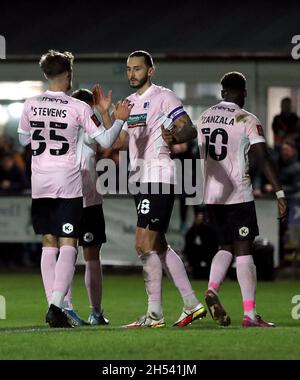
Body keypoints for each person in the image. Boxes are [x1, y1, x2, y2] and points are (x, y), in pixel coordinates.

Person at [18, 49, 133, 328]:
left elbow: (23, 140)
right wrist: (117, 118)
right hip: (69, 183)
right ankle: (59, 305)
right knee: (70, 243)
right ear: (68, 74)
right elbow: (108, 140)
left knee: (49, 241)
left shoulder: (30, 103)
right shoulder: (77, 108)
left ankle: (56, 306)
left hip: (41, 181)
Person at [115, 50, 206, 328]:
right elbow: (119, 143)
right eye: (129, 69)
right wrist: (111, 118)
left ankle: (154, 315)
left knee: (142, 243)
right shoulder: (129, 103)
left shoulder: (164, 97)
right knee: (159, 244)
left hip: (158, 176)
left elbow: (189, 130)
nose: (132, 74)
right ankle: (192, 304)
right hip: (139, 179)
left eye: (138, 69)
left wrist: (175, 135)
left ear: (151, 71)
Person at [194, 71, 288, 328]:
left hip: (212, 195)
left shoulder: (203, 117)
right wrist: (279, 192)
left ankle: (213, 288)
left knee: (225, 246)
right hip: (238, 194)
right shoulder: (246, 118)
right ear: (243, 93)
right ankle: (250, 314)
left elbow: (193, 146)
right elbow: (262, 157)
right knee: (244, 249)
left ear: (222, 92)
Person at [62, 88, 110, 326]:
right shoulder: (92, 125)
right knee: (91, 255)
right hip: (87, 199)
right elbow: (112, 140)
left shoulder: (63, 125)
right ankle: (95, 312)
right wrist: (106, 113)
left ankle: (67, 307)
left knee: (66, 254)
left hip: (64, 197)